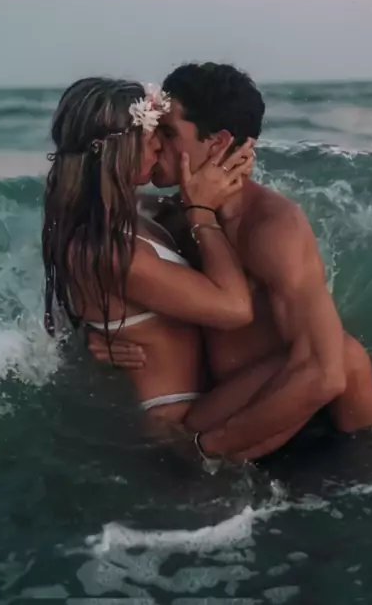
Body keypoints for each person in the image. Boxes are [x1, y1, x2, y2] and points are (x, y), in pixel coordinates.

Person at [89, 63, 372, 463]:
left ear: (218, 142)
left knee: (345, 354)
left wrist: (208, 448)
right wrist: (102, 331)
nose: (154, 142)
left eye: (169, 133)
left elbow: (325, 374)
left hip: (308, 431)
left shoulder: (272, 228)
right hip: (229, 412)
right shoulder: (173, 216)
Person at [42, 76, 256, 428]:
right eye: (149, 132)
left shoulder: (130, 211)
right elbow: (235, 309)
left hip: (203, 409)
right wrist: (202, 213)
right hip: (176, 431)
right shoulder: (109, 250)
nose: (159, 143)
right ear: (115, 148)